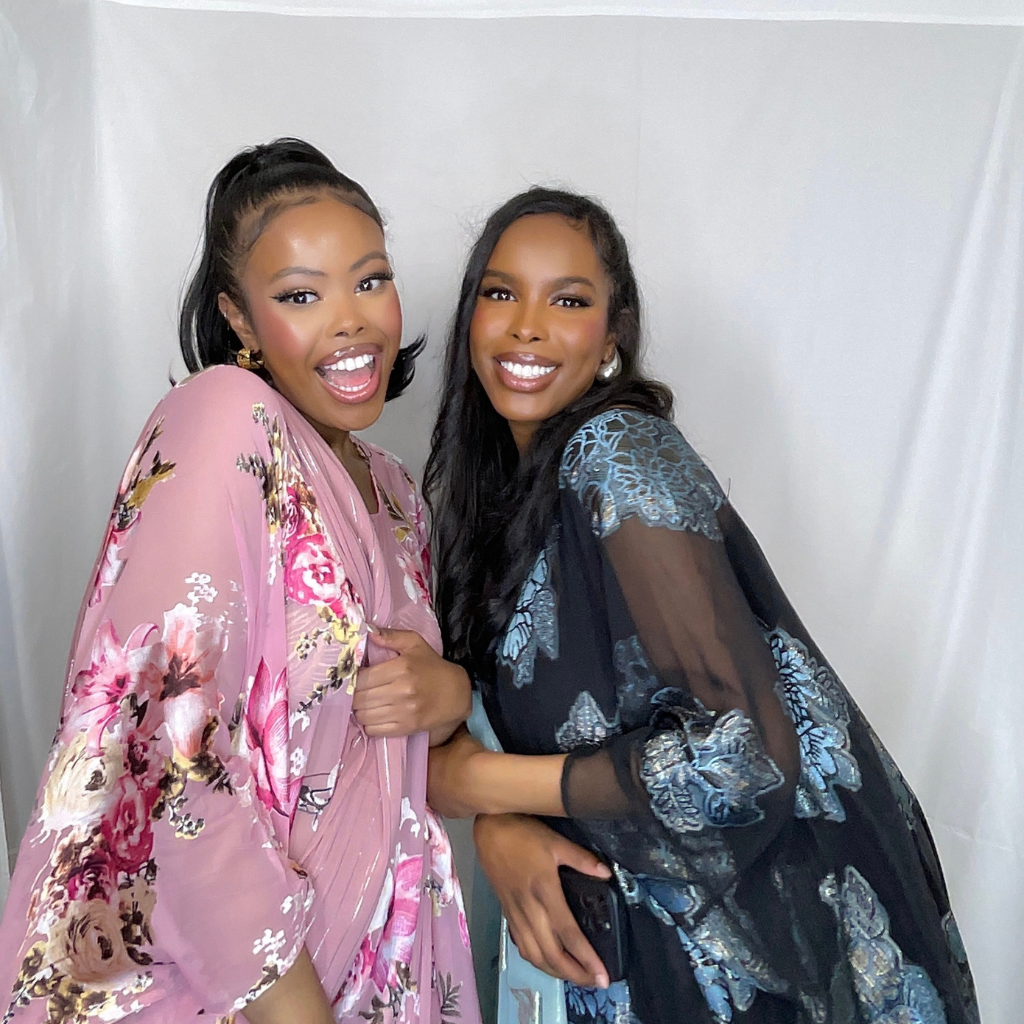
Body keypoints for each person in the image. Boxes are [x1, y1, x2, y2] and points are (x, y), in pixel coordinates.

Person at [423, 187, 980, 1024]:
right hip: (641, 953)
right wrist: (498, 816)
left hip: (776, 952)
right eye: (501, 293)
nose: (526, 326)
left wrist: (480, 784)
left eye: (567, 300)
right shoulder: (500, 498)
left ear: (613, 337)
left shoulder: (619, 453)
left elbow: (746, 755)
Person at [0, 139, 480, 1024]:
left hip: (391, 963)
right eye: (301, 295)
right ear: (241, 319)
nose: (351, 320)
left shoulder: (397, 491)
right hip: (246, 992)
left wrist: (448, 694)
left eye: (370, 280)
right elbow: (158, 733)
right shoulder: (224, 418)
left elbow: (387, 735)